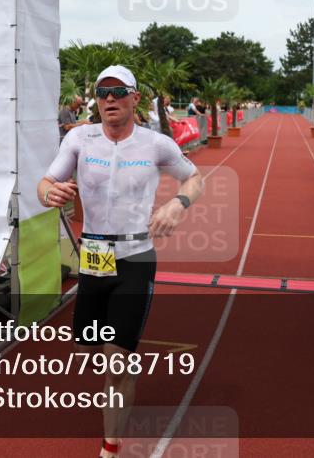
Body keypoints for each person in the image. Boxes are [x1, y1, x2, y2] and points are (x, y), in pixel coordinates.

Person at [38, 65, 203, 458]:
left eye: (117, 92)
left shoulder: (155, 144)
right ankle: (118, 371)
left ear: (134, 98)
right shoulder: (80, 138)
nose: (108, 99)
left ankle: (110, 447)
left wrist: (178, 204)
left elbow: (194, 177)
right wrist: (51, 193)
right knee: (86, 349)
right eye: (101, 92)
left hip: (135, 256)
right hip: (94, 258)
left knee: (118, 361)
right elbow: (46, 182)